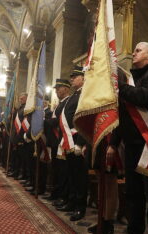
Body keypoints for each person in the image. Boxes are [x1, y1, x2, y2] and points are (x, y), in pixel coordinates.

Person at [108, 42, 148, 234]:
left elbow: (145, 97)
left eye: (138, 50)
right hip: (131, 146)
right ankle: (134, 230)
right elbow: (122, 114)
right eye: (134, 50)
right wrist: (113, 143)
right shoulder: (131, 78)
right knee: (133, 194)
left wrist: (120, 86)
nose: (133, 53)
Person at [56, 66, 88, 222]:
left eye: (75, 77)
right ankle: (72, 202)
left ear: (83, 78)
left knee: (80, 177)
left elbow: (84, 118)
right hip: (68, 139)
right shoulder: (74, 96)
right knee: (71, 174)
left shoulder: (85, 94)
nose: (72, 79)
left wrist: (81, 142)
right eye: (72, 77)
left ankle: (80, 208)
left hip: (77, 140)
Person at [43, 79, 71, 202]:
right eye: (56, 88)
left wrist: (45, 120)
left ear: (66, 88)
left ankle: (61, 195)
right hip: (55, 141)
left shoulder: (67, 102)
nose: (57, 90)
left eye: (59, 88)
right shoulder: (60, 104)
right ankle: (55, 193)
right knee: (56, 169)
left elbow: (57, 121)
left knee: (62, 171)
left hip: (61, 140)